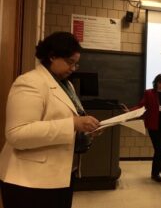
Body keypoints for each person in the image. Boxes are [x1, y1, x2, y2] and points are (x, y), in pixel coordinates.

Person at [0, 32, 100, 208]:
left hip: (60, 175)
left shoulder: (66, 84)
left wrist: (86, 128)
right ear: (52, 56)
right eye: (70, 62)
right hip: (30, 182)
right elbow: (17, 134)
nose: (74, 68)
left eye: (76, 63)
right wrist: (73, 124)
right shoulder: (30, 82)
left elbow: (67, 119)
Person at [131, 74, 161, 189]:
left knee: (159, 150)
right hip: (153, 126)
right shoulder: (149, 93)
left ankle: (154, 174)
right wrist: (129, 111)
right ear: (156, 83)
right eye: (160, 82)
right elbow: (141, 106)